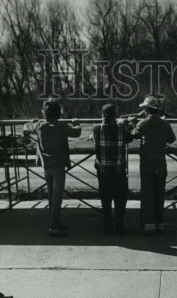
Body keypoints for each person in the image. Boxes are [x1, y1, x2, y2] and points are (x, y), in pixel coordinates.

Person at [24, 100, 81, 236]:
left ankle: (54, 221)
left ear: (45, 112)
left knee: (51, 196)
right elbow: (76, 133)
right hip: (58, 166)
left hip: (46, 165)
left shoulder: (39, 125)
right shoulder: (61, 126)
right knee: (57, 198)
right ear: (58, 112)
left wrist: (32, 121)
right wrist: (76, 122)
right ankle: (54, 227)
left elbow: (25, 128)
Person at [132, 95, 176, 234]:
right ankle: (159, 224)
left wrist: (133, 124)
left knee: (147, 194)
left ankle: (148, 225)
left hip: (147, 163)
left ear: (146, 109)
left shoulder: (143, 123)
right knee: (159, 194)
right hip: (161, 162)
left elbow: (135, 134)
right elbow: (171, 139)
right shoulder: (165, 124)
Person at [92, 103, 135, 234]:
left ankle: (107, 226)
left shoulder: (96, 129)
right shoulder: (121, 129)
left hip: (103, 170)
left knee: (105, 200)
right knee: (120, 199)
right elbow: (130, 137)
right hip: (118, 169)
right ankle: (119, 226)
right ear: (115, 116)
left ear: (102, 115)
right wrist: (129, 124)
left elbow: (94, 138)